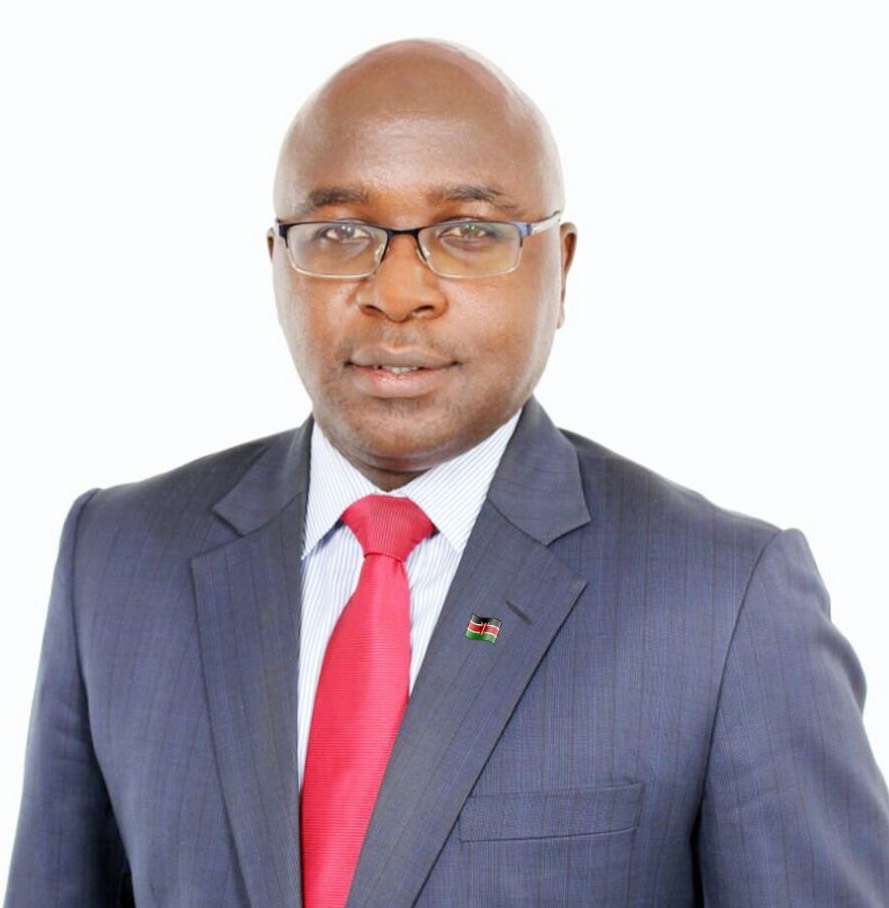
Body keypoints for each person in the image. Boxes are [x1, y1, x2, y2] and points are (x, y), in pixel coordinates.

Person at [5, 38, 889, 908]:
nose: (397, 293)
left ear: (559, 268)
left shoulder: (725, 602)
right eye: (339, 232)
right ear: (276, 266)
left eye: (468, 232)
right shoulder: (116, 561)